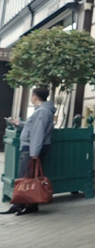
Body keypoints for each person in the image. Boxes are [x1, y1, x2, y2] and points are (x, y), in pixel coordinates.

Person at [1, 87, 55, 216]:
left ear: (35, 96)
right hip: (33, 148)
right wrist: (20, 124)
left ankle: (19, 205)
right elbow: (34, 127)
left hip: (31, 148)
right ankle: (29, 205)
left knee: (25, 177)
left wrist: (34, 153)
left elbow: (38, 133)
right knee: (30, 177)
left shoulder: (42, 111)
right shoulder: (43, 111)